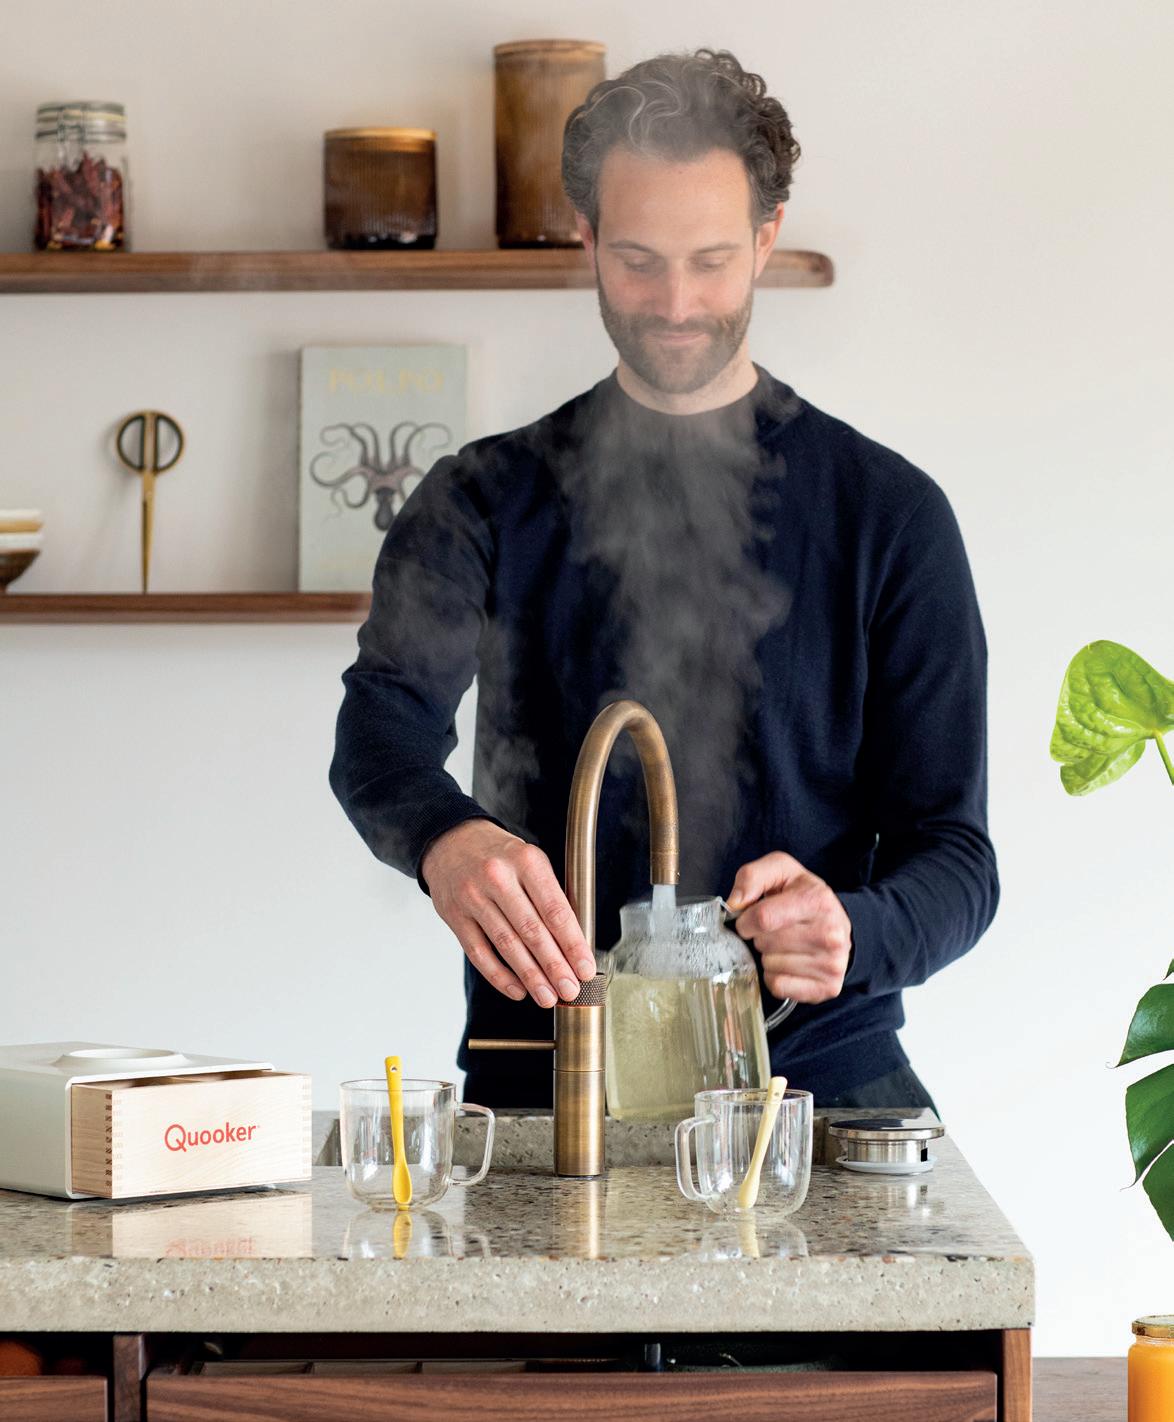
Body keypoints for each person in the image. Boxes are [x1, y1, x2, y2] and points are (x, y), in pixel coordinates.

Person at [329, 48, 999, 1114]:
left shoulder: (889, 516)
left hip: (812, 1091)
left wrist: (853, 930)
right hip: (548, 1084)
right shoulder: (483, 497)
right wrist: (442, 838)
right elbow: (379, 731)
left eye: (712, 260)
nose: (676, 303)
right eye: (638, 260)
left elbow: (957, 859)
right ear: (586, 235)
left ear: (767, 236)